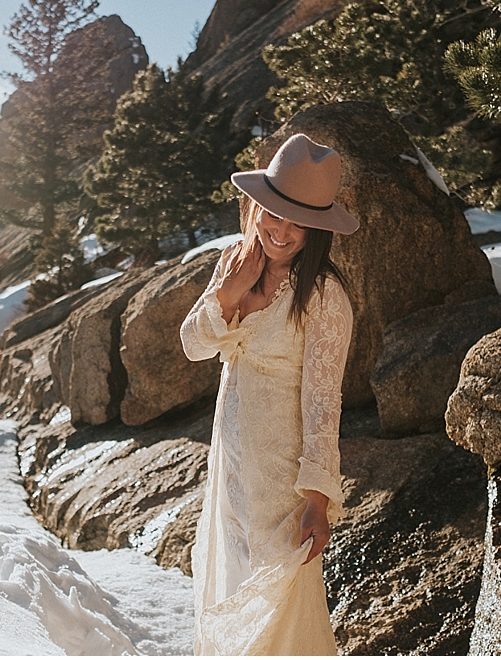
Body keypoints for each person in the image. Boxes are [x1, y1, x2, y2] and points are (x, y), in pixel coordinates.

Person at [180, 133, 359, 655]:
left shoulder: (325, 297)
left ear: (316, 230)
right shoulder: (235, 262)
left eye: (297, 222)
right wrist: (231, 292)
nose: (281, 232)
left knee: (280, 608)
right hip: (231, 465)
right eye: (273, 214)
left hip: (283, 480)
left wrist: (317, 500)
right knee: (232, 579)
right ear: (255, 208)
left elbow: (325, 404)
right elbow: (194, 345)